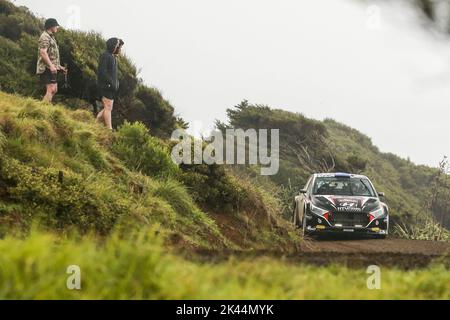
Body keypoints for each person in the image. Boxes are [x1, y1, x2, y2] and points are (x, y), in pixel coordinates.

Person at [36, 18, 67, 103]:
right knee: (51, 89)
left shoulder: (51, 37)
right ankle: (42, 110)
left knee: (54, 89)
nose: (57, 27)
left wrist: (59, 67)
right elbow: (43, 52)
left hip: (51, 68)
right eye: (56, 26)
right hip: (46, 68)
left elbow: (52, 55)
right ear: (51, 26)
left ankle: (44, 108)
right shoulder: (45, 37)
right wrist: (51, 66)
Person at [96, 38, 124, 130]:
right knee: (108, 107)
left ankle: (95, 124)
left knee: (107, 108)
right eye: (118, 47)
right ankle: (109, 129)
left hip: (111, 87)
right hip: (106, 86)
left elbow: (113, 74)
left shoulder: (112, 57)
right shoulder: (105, 56)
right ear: (114, 47)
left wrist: (116, 83)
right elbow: (102, 72)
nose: (120, 49)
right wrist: (111, 83)